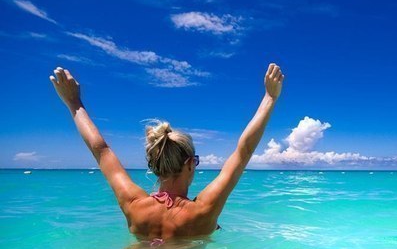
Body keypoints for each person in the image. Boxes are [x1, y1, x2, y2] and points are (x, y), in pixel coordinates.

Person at [50, 63, 284, 239]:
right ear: (190, 163)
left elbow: (101, 150)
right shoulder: (203, 211)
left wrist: (74, 103)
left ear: (153, 165)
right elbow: (244, 151)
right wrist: (270, 97)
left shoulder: (134, 205)